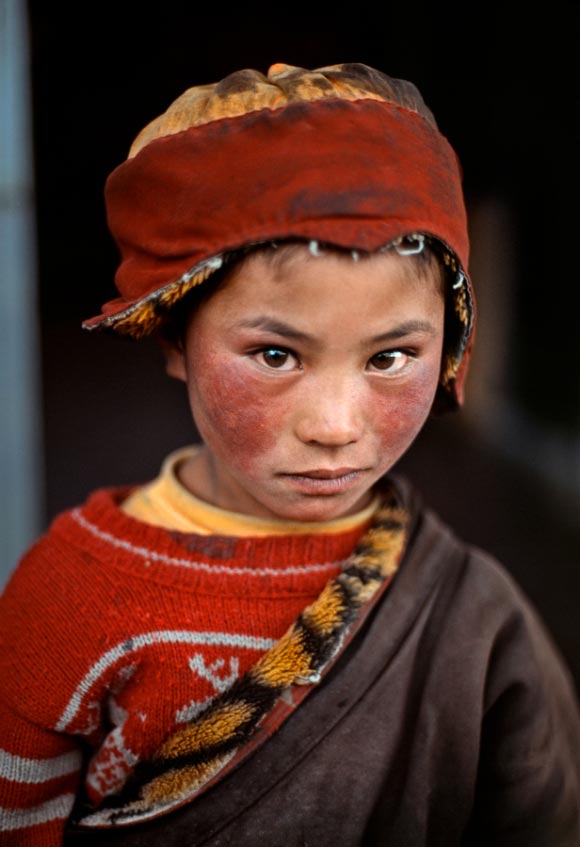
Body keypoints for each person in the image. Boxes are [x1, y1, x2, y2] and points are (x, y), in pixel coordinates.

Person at [0, 62, 578, 847]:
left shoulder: (474, 620)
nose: (337, 426)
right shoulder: (67, 601)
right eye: (275, 355)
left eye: (389, 358)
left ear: (450, 345)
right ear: (172, 333)